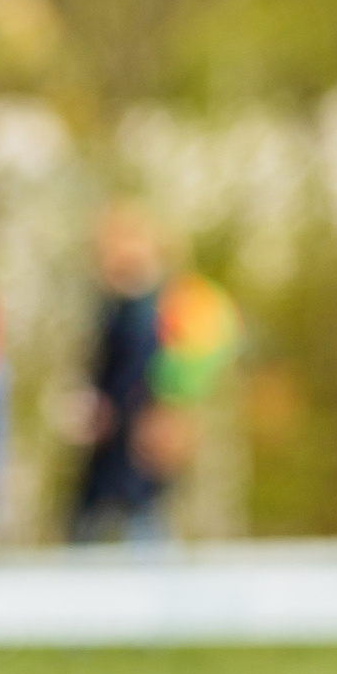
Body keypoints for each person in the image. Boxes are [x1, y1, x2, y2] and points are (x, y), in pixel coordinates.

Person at [68, 203, 240, 544]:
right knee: (93, 523)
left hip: (143, 440)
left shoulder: (166, 304)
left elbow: (186, 366)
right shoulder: (113, 305)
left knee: (143, 521)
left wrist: (170, 413)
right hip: (109, 442)